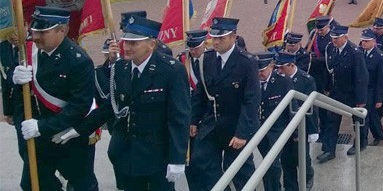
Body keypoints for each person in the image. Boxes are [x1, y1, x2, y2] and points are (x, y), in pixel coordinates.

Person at [71, 14, 190, 191]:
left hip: (157, 156)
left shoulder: (171, 70)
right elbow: (111, 106)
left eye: (134, 43)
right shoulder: (121, 67)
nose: (126, 47)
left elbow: (179, 116)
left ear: (151, 44)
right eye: (125, 42)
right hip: (127, 155)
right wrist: (78, 129)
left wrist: (177, 158)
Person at [10, 7, 99, 191]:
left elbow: (79, 106)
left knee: (82, 184)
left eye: (43, 32)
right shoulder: (27, 52)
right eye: (35, 31)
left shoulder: (78, 61)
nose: (36, 37)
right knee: (33, 184)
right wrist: (15, 81)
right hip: (37, 136)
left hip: (68, 135)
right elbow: (22, 96)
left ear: (63, 30)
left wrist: (42, 127)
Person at [190, 17, 261, 190]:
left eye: (221, 38)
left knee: (240, 171)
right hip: (210, 125)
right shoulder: (206, 59)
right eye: (214, 37)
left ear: (233, 37)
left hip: (235, 126)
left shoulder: (247, 62)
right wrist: (193, 120)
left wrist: (242, 133)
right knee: (201, 164)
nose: (216, 41)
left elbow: (251, 100)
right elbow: (200, 93)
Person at [318, 25, 368, 163]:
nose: (334, 41)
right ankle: (329, 150)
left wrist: (361, 99)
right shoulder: (331, 49)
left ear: (345, 37)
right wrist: (327, 87)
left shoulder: (354, 53)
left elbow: (361, 76)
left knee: (357, 121)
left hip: (351, 93)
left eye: (337, 38)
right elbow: (329, 70)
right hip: (336, 91)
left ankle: (360, 143)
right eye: (333, 38)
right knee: (331, 120)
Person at [275, 52, 318, 191]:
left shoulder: (306, 80)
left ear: (292, 65)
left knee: (302, 157)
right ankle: (291, 187)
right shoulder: (279, 79)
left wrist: (313, 130)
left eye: (282, 68)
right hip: (284, 125)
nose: (279, 71)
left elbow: (311, 106)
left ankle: (308, 175)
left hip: (301, 126)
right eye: (278, 68)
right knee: (286, 161)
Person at [176, 30, 208, 190]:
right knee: (190, 160)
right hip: (187, 115)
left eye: (197, 47)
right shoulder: (183, 61)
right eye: (191, 47)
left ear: (204, 43)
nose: (193, 51)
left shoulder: (210, 60)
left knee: (205, 161)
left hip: (206, 117)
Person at [254, 51, 290, 191]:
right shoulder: (253, 82)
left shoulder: (283, 81)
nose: (259, 74)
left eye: (262, 70)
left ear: (271, 66)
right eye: (257, 70)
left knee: (272, 164)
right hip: (259, 129)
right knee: (266, 162)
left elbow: (290, 108)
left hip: (277, 129)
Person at [306, 15, 336, 141]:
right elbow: (308, 47)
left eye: (321, 29)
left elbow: (330, 59)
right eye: (318, 29)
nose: (319, 31)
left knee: (324, 105)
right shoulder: (314, 34)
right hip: (314, 73)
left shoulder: (331, 39)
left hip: (326, 75)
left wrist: (313, 59)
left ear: (328, 26)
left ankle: (325, 129)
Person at [359, 29, 383, 146]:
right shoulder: (360, 52)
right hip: (362, 89)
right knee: (372, 115)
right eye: (362, 41)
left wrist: (379, 99)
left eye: (366, 41)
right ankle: (379, 134)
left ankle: (364, 140)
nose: (363, 43)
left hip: (371, 90)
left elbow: (382, 81)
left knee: (367, 115)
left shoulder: (380, 57)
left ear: (374, 42)